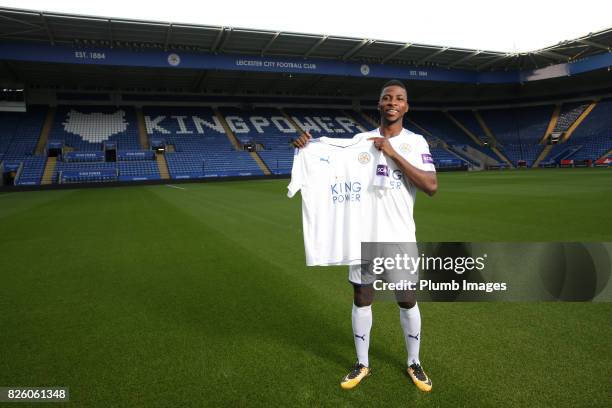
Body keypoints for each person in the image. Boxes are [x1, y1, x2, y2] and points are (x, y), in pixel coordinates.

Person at [293, 79, 437, 392]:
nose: (392, 102)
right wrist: (308, 147)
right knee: (362, 296)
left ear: (406, 106)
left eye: (399, 98)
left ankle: (414, 362)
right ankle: (362, 363)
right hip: (363, 235)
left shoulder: (417, 142)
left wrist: (392, 153)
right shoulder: (360, 140)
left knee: (407, 299)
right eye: (387, 98)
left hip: (399, 234)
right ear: (379, 104)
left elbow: (431, 186)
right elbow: (329, 161)